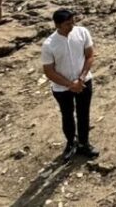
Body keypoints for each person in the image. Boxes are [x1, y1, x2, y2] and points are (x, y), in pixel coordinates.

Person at [40, 9, 98, 162]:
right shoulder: (49, 45)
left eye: (73, 22)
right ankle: (71, 142)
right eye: (67, 24)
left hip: (83, 82)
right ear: (58, 25)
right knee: (67, 116)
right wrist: (70, 84)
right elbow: (49, 71)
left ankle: (84, 143)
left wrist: (81, 78)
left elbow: (90, 56)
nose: (72, 25)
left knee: (83, 114)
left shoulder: (82, 32)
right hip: (62, 88)